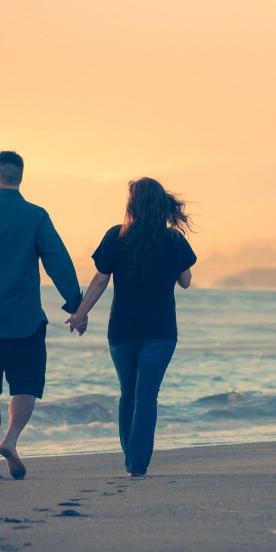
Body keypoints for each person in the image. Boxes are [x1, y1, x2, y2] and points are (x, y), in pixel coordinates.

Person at [0, 151, 82, 480]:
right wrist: (75, 303)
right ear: (18, 178)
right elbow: (57, 260)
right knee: (26, 386)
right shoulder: (35, 216)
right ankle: (11, 440)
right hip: (23, 322)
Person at [67, 177, 196, 477]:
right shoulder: (174, 240)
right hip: (161, 332)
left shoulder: (116, 236)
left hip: (122, 331)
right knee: (147, 395)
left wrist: (79, 314)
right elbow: (186, 281)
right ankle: (136, 464)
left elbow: (100, 280)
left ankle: (132, 459)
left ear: (132, 205)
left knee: (128, 393)